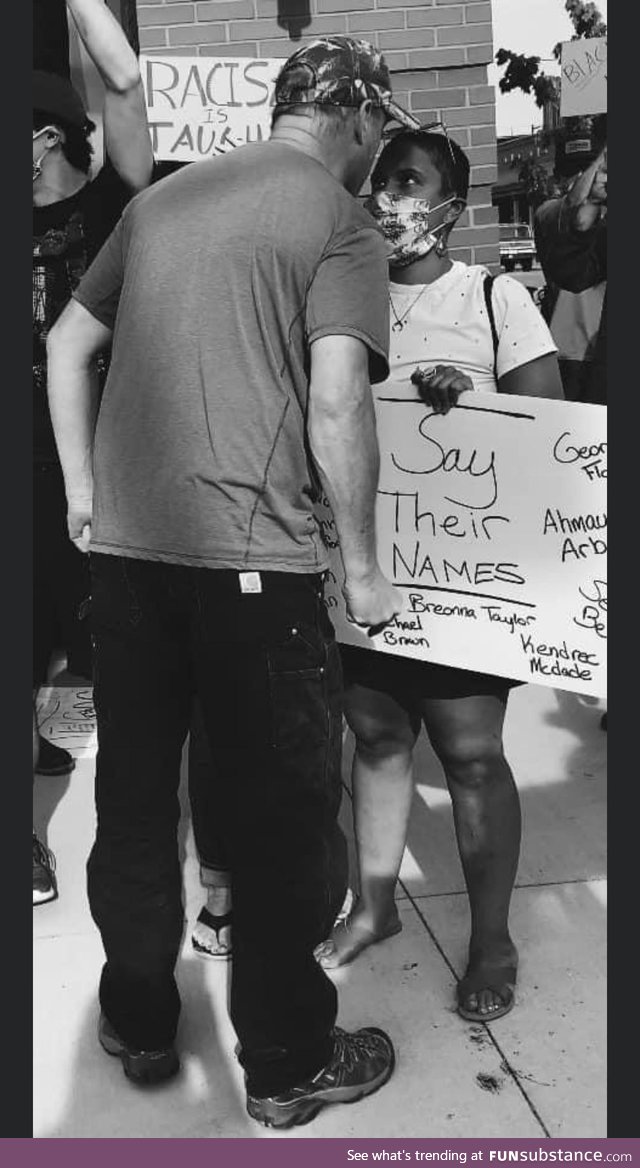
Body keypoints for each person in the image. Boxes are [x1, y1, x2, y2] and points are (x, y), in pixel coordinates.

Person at [47, 36, 412, 1127]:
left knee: (134, 804)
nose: (377, 149)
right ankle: (292, 1060)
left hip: (128, 563)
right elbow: (338, 401)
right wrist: (360, 564)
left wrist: (83, 488)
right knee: (282, 825)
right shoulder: (337, 220)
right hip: (254, 567)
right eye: (378, 128)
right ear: (347, 113)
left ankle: (142, 1020)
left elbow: (68, 344)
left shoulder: (160, 203)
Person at [314, 128, 563, 1025]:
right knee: (376, 738)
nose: (388, 195)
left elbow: (545, 430)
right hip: (366, 567)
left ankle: (492, 935)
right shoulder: (342, 295)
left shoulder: (495, 299)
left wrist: (475, 404)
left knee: (469, 754)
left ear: (452, 205)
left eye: (409, 181)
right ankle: (375, 904)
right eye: (380, 178)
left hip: (465, 581)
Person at [32, 0, 154, 906]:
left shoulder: (119, 203)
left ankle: (141, 842)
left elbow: (120, 77)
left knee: (126, 669)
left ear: (42, 140)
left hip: (112, 479)